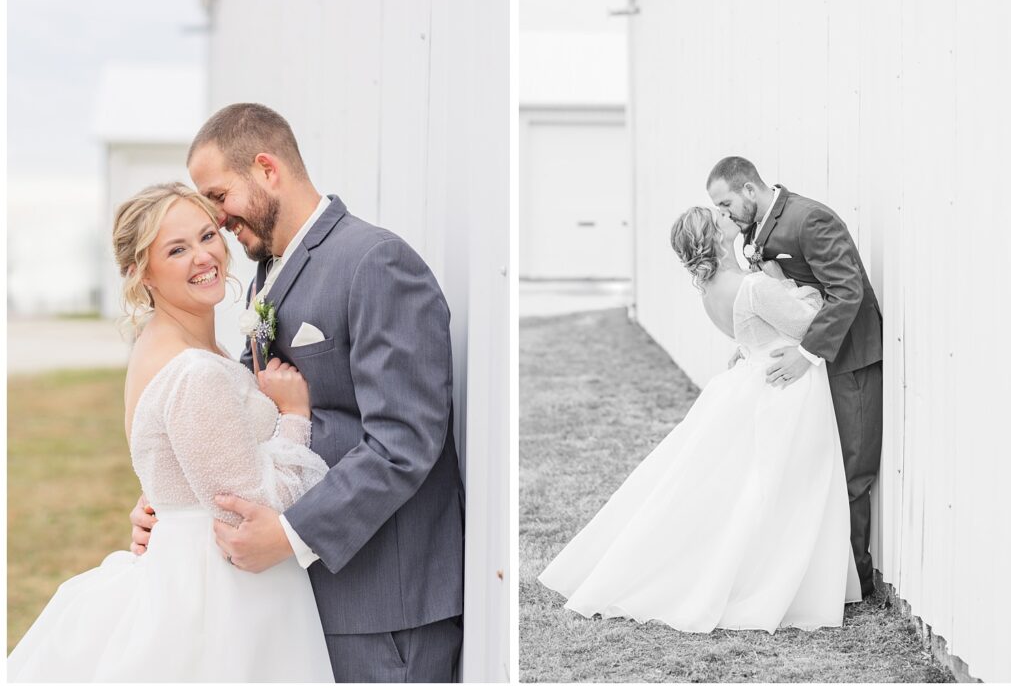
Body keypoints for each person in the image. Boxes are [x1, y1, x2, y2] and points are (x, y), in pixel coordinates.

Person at [130, 104, 464, 682]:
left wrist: (291, 534)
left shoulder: (375, 261)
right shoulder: (268, 274)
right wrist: (175, 502)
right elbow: (238, 415)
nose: (218, 221)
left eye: (219, 198)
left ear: (265, 168)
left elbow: (405, 441)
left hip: (384, 603)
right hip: (311, 598)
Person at [7, 184, 335, 681]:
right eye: (176, 250)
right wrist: (294, 415)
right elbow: (249, 508)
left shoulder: (184, 348)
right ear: (140, 274)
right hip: (221, 594)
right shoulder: (191, 371)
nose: (203, 256)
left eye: (207, 236)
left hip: (207, 570)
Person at [538, 206, 860, 633]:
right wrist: (788, 284)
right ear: (714, 236)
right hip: (783, 386)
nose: (727, 219)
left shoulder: (710, 287)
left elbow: (749, 334)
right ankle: (772, 578)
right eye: (718, 218)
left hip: (751, 375)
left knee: (754, 487)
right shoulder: (751, 286)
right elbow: (808, 323)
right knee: (790, 486)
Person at [706, 156, 883, 598]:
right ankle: (815, 576)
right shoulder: (755, 228)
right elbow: (777, 298)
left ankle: (853, 582)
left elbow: (847, 291)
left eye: (726, 203)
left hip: (848, 356)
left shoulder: (810, 218)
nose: (724, 215)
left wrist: (807, 354)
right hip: (810, 363)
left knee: (850, 469)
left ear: (750, 189)